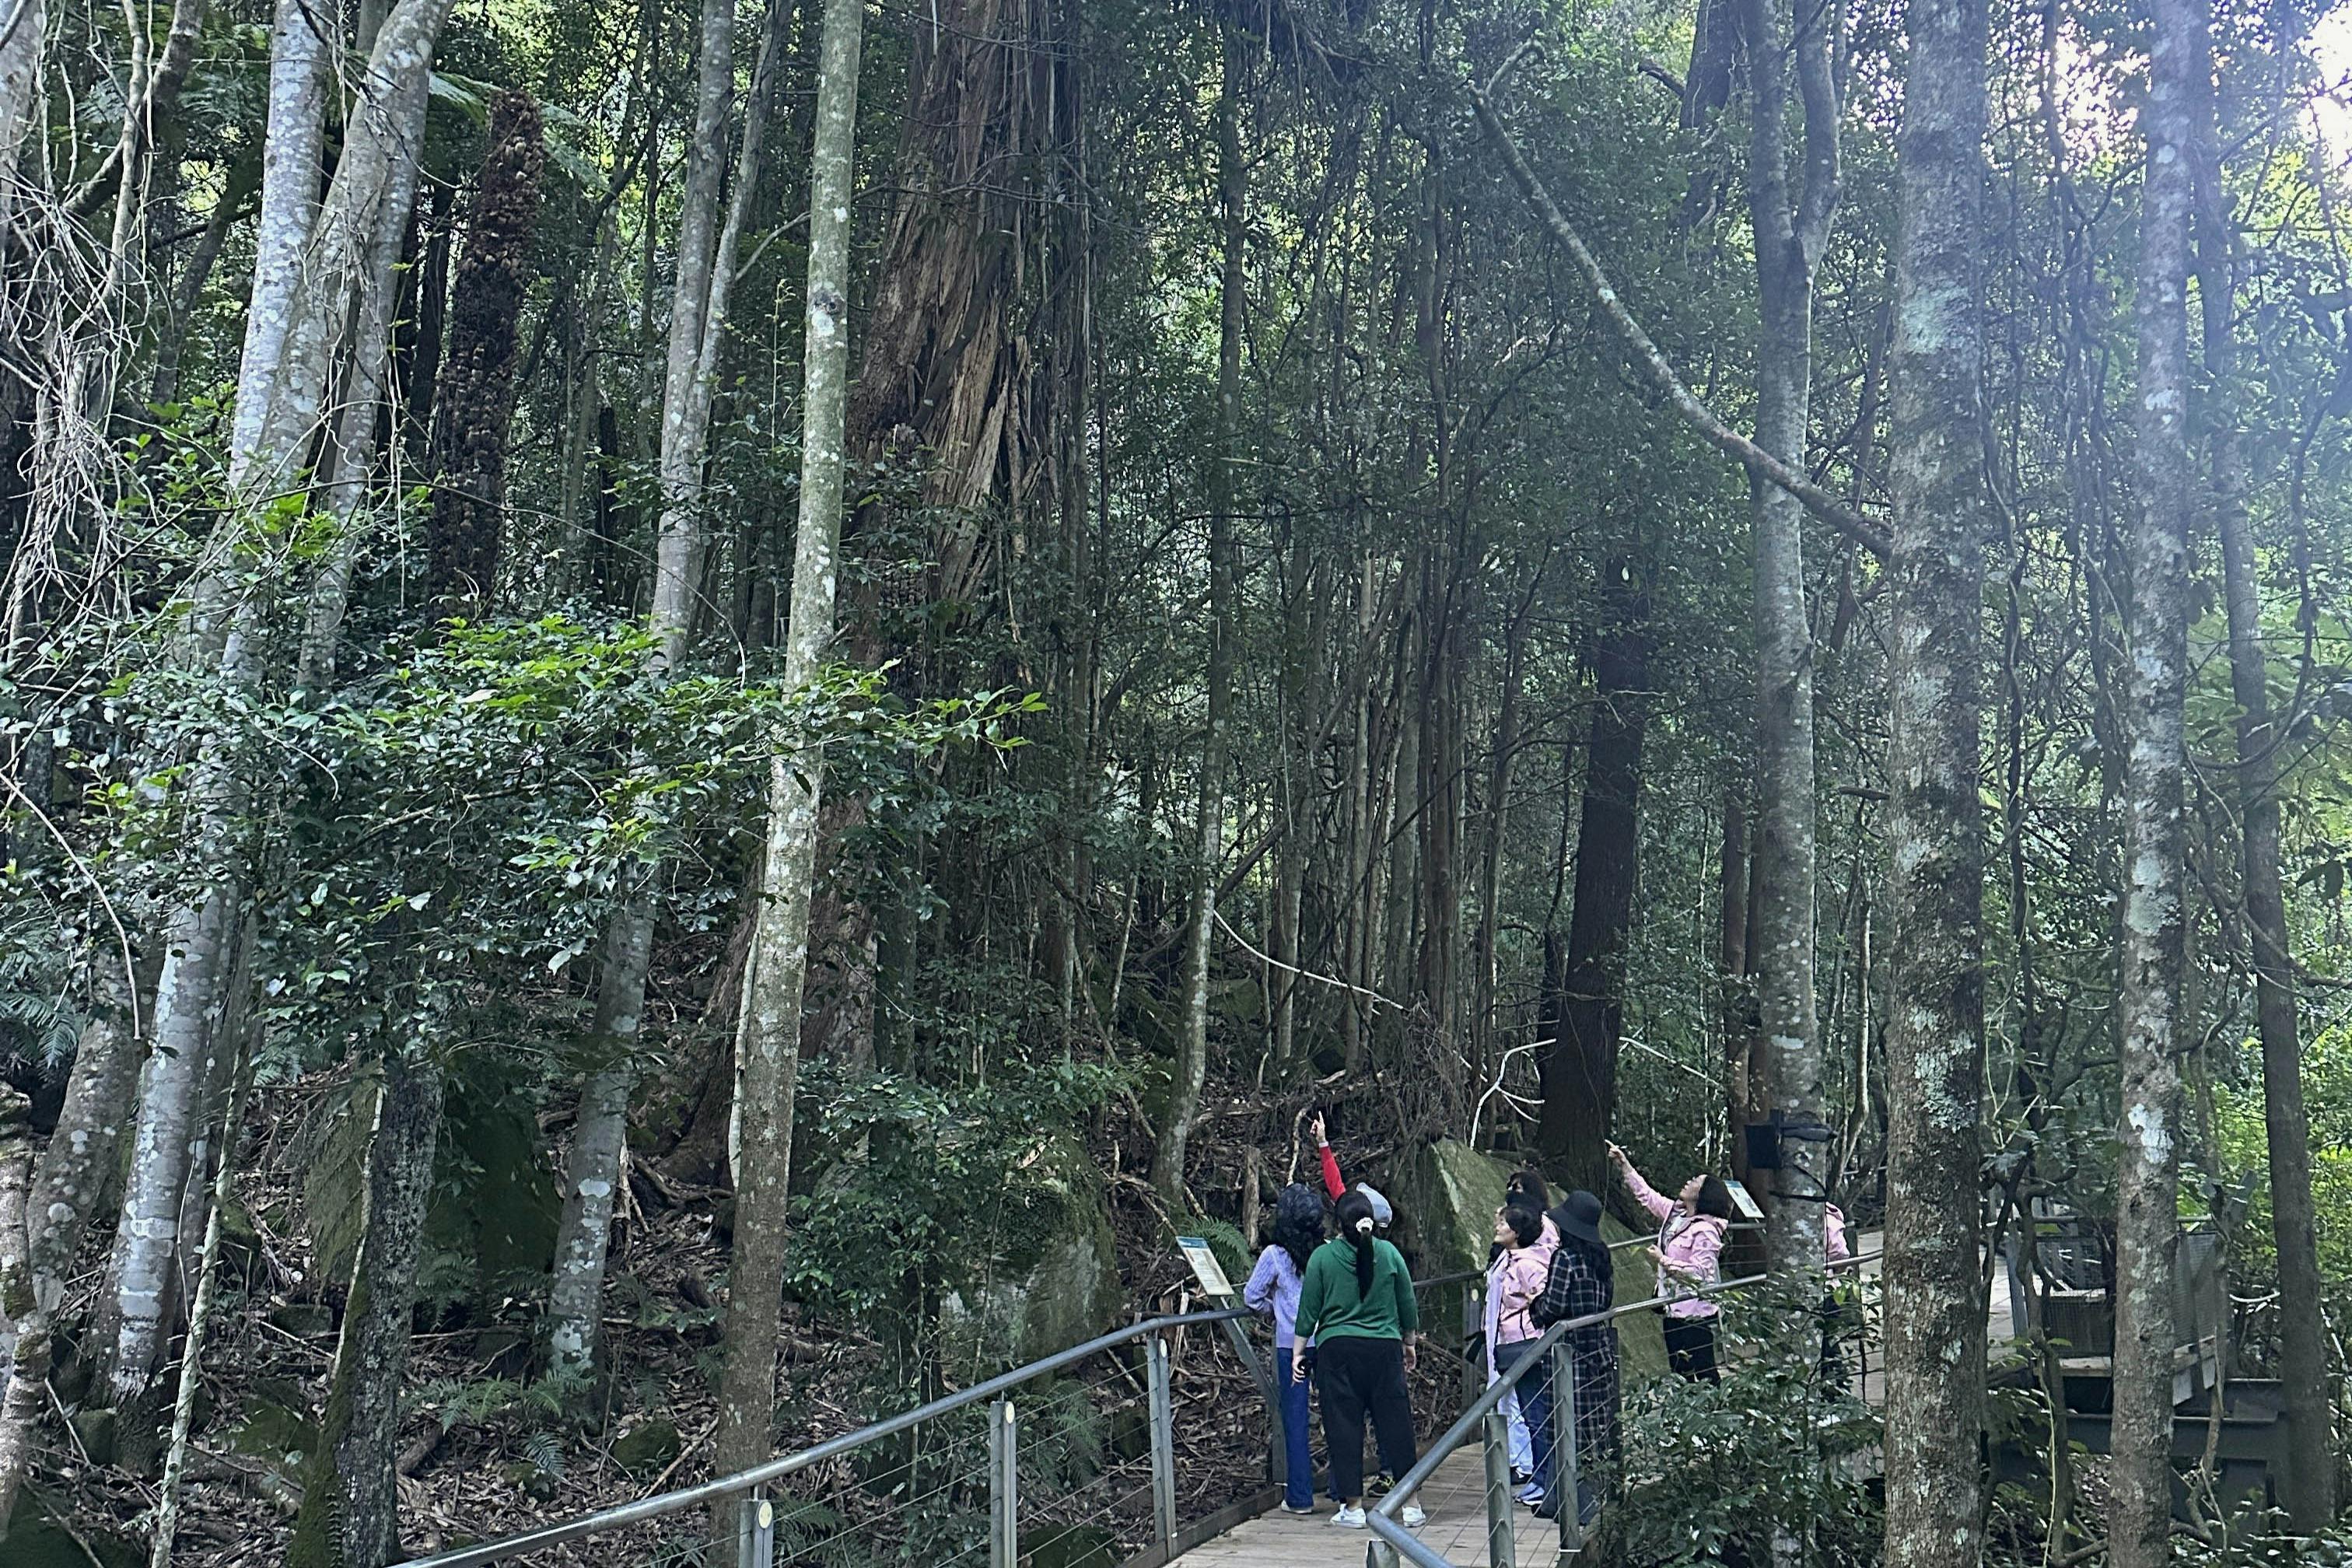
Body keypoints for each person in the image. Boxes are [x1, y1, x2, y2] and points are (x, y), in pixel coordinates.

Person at [1296, 1189, 1423, 1530]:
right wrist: (1408, 1341)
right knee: (1396, 1425)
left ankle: (1352, 1507)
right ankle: (1411, 1504)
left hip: (1337, 1351)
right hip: (1384, 1351)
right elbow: (1407, 1300)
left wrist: (1298, 1351)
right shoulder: (1389, 1253)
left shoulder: (1323, 1258)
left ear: (1338, 1223)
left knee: (1344, 1427)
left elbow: (1309, 1309)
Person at [1608, 1141, 1730, 1381]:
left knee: (1704, 1372)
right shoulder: (1677, 1215)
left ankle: (1713, 1415)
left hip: (1695, 1313)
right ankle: (1687, 1417)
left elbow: (1699, 1274)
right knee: (1679, 1372)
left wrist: (1663, 1260)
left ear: (1704, 1195)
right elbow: (1649, 1197)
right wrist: (1624, 1165)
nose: (1689, 1181)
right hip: (1672, 1307)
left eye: (1696, 1182)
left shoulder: (1706, 1230)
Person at [1533, 1190, 1620, 1525]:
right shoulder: (1602, 1258)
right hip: (1597, 1349)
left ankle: (1583, 1509)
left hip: (1569, 1353)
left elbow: (1553, 1305)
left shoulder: (1565, 1259)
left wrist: (1534, 1308)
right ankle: (1558, 1498)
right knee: (1587, 1428)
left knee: (1567, 1427)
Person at [1245, 1183, 1327, 1514]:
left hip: (1289, 1345)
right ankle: (1341, 1491)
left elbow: (1251, 1297)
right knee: (1337, 1414)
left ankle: (1300, 1496)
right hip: (1327, 1341)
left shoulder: (1274, 1257)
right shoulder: (1325, 1253)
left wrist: (1276, 1310)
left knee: (1295, 1420)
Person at [1486, 1203, 1556, 1507]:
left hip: (1528, 1346)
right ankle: (1540, 1478)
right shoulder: (1509, 1260)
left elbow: (1543, 1303)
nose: (1497, 1227)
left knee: (1536, 1414)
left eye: (1503, 1224)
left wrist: (1531, 1304)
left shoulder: (1528, 1264)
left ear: (1516, 1233)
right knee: (1530, 1414)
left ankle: (1544, 1480)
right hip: (1511, 1345)